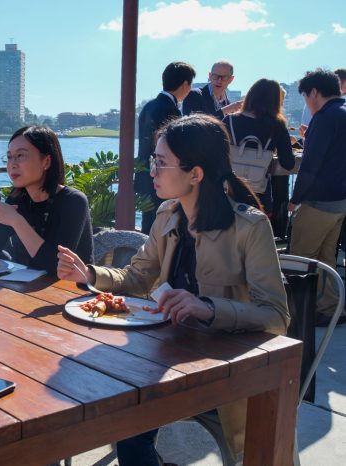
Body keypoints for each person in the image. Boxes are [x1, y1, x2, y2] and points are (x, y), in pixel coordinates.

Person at [57, 114, 289, 465]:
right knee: (108, 407)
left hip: (221, 368)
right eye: (154, 160)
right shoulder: (169, 215)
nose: (152, 171)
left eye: (161, 163)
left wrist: (208, 308)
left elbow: (276, 317)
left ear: (195, 174)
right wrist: (89, 273)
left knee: (127, 428)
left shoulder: (249, 228)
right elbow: (137, 277)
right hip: (164, 355)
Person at [0, 125, 93, 275]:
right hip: (32, 289)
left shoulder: (73, 201)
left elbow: (58, 267)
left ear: (46, 162)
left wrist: (17, 221)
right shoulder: (18, 199)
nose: (12, 164)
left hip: (74, 292)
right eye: (9, 157)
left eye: (20, 155)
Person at [289, 69, 346, 327]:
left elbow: (310, 165)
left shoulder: (324, 118)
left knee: (299, 259)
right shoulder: (342, 111)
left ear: (313, 93)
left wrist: (294, 198)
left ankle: (292, 314)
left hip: (318, 201)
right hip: (340, 202)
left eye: (305, 97)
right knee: (326, 259)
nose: (307, 103)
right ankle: (331, 308)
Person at [136, 61, 196, 234]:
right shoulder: (172, 110)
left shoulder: (148, 106)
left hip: (145, 172)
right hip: (164, 173)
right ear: (185, 84)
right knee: (164, 223)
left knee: (149, 223)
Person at [221, 78, 295, 215]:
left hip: (228, 193)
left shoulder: (229, 120)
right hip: (259, 196)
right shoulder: (277, 126)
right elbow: (288, 163)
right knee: (258, 233)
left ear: (250, 96)